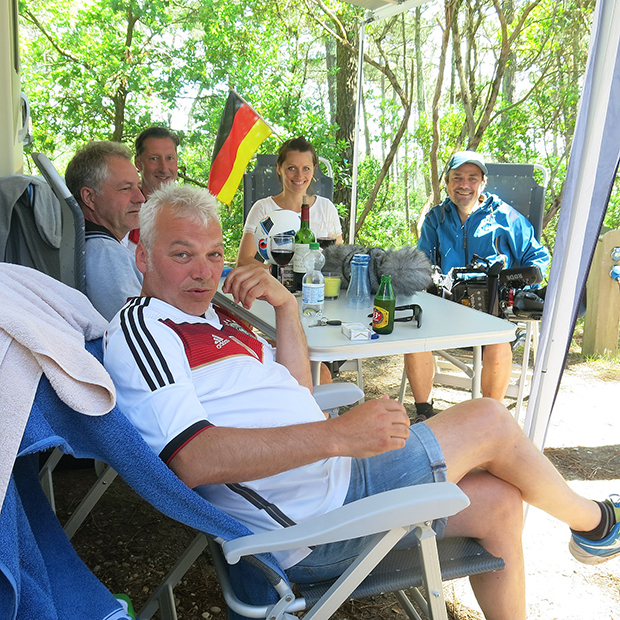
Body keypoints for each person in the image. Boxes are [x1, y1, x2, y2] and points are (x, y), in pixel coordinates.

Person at [103, 184, 619, 620]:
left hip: (335, 478)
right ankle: (597, 523)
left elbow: (297, 390)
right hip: (309, 527)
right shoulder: (144, 327)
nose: (204, 271)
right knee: (488, 417)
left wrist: (285, 306)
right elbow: (192, 459)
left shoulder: (217, 318)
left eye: (214, 254)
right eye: (182, 254)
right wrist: (338, 435)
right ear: (143, 255)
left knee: (501, 504)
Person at [404, 151, 550, 421]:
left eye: (472, 178)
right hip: (447, 307)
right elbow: (421, 261)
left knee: (498, 343)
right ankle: (424, 412)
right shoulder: (437, 219)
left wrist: (515, 281)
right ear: (446, 182)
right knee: (415, 338)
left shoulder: (507, 217)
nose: (464, 184)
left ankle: (489, 419)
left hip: (491, 309)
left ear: (483, 182)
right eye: (457, 177)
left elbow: (538, 260)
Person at [65, 141, 145, 321]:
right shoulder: (106, 255)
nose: (140, 198)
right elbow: (134, 329)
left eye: (138, 187)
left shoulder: (79, 244)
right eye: (126, 188)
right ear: (89, 197)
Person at [236, 136, 343, 267]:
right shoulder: (263, 208)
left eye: (306, 168)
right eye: (291, 168)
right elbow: (243, 260)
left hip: (316, 283)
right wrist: (277, 274)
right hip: (273, 283)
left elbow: (338, 259)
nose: (299, 175)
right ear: (278, 168)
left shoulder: (326, 208)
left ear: (313, 170)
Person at [134, 126, 180, 200]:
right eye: (154, 159)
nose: (164, 168)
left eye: (169, 158)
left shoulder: (189, 207)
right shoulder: (125, 208)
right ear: (138, 162)